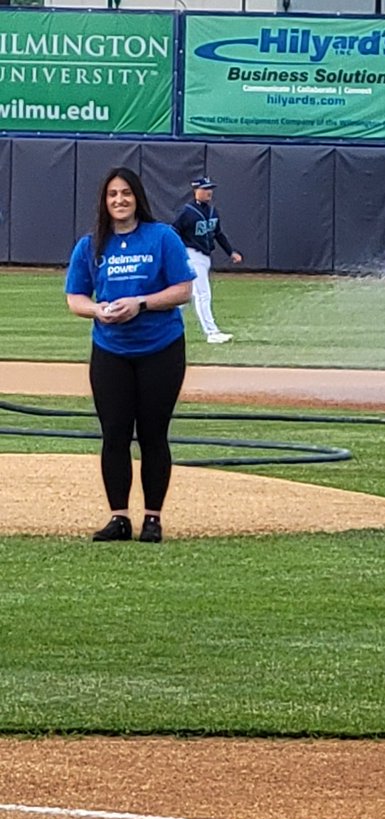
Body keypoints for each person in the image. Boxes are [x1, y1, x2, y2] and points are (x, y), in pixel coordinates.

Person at [65, 167, 195, 543]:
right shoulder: (90, 246)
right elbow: (76, 298)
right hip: (111, 350)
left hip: (161, 347)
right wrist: (98, 310)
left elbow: (183, 290)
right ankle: (119, 518)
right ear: (104, 203)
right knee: (114, 435)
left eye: (126, 193)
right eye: (112, 195)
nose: (119, 200)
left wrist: (141, 302)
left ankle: (152, 519)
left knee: (153, 434)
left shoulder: (161, 237)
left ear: (137, 198)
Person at [172, 176, 242, 344]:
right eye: (205, 189)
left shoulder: (212, 211)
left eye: (210, 188)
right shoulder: (187, 212)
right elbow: (173, 231)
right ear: (196, 190)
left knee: (187, 295)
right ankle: (212, 332)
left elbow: (218, 234)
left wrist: (230, 252)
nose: (209, 192)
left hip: (204, 256)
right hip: (192, 255)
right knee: (203, 294)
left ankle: (164, 324)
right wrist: (179, 253)